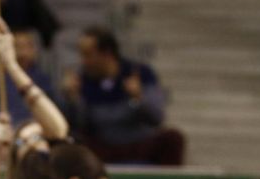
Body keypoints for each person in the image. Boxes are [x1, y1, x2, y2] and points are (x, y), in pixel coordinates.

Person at [66, 26, 185, 167]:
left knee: (173, 138)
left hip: (139, 144)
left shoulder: (140, 73)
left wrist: (138, 98)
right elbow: (80, 126)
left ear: (107, 53)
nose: (83, 61)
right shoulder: (80, 80)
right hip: (103, 146)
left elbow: (157, 117)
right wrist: (74, 99)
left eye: (88, 55)